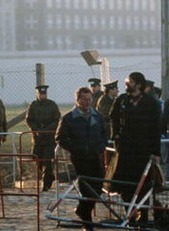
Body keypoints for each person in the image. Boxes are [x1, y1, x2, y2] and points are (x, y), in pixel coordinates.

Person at [107, 72, 161, 227]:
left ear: (137, 84)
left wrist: (156, 152)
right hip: (125, 150)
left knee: (143, 186)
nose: (126, 84)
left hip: (143, 150)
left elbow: (155, 128)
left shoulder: (150, 102)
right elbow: (113, 118)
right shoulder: (122, 100)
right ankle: (129, 216)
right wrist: (116, 136)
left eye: (129, 82)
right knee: (126, 186)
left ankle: (142, 217)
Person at [56, 87, 107, 231]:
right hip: (80, 159)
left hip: (95, 156)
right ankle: (87, 222)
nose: (87, 102)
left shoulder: (97, 116)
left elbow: (104, 134)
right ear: (77, 100)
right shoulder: (69, 118)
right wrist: (75, 149)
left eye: (89, 99)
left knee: (97, 187)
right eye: (84, 100)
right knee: (86, 189)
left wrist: (101, 146)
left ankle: (82, 210)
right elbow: (60, 138)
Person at [26, 85, 61, 192]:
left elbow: (57, 119)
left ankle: (46, 184)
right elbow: (29, 120)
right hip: (37, 138)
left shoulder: (52, 104)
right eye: (41, 94)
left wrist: (47, 129)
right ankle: (49, 176)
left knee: (47, 160)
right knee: (37, 159)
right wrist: (36, 130)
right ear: (37, 94)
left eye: (44, 94)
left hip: (49, 137)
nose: (43, 95)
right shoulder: (33, 105)